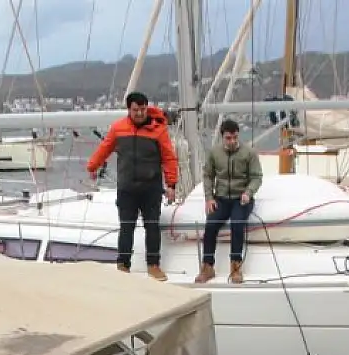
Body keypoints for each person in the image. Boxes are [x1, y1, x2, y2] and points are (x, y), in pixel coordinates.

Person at [85, 92, 179, 281]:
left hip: (151, 188)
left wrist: (171, 184)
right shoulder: (118, 128)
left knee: (152, 226)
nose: (140, 113)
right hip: (127, 188)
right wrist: (92, 166)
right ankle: (123, 265)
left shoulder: (158, 130)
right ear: (129, 109)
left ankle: (153, 265)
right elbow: (105, 148)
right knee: (126, 227)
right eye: (136, 110)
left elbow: (169, 157)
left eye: (143, 109)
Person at [195, 119, 263, 284]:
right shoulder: (214, 153)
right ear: (222, 137)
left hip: (241, 198)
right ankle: (208, 266)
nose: (232, 141)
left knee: (237, 224)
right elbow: (208, 175)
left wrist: (248, 192)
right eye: (228, 138)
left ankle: (235, 267)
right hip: (222, 198)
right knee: (210, 225)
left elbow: (257, 177)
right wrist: (209, 198)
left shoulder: (249, 153)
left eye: (235, 137)